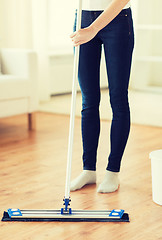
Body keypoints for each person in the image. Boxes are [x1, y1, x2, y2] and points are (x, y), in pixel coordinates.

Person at [70, 0, 134, 193]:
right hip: (82, 16)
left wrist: (93, 28)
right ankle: (88, 170)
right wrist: (87, 27)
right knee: (88, 101)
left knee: (118, 99)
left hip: (117, 20)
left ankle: (112, 171)